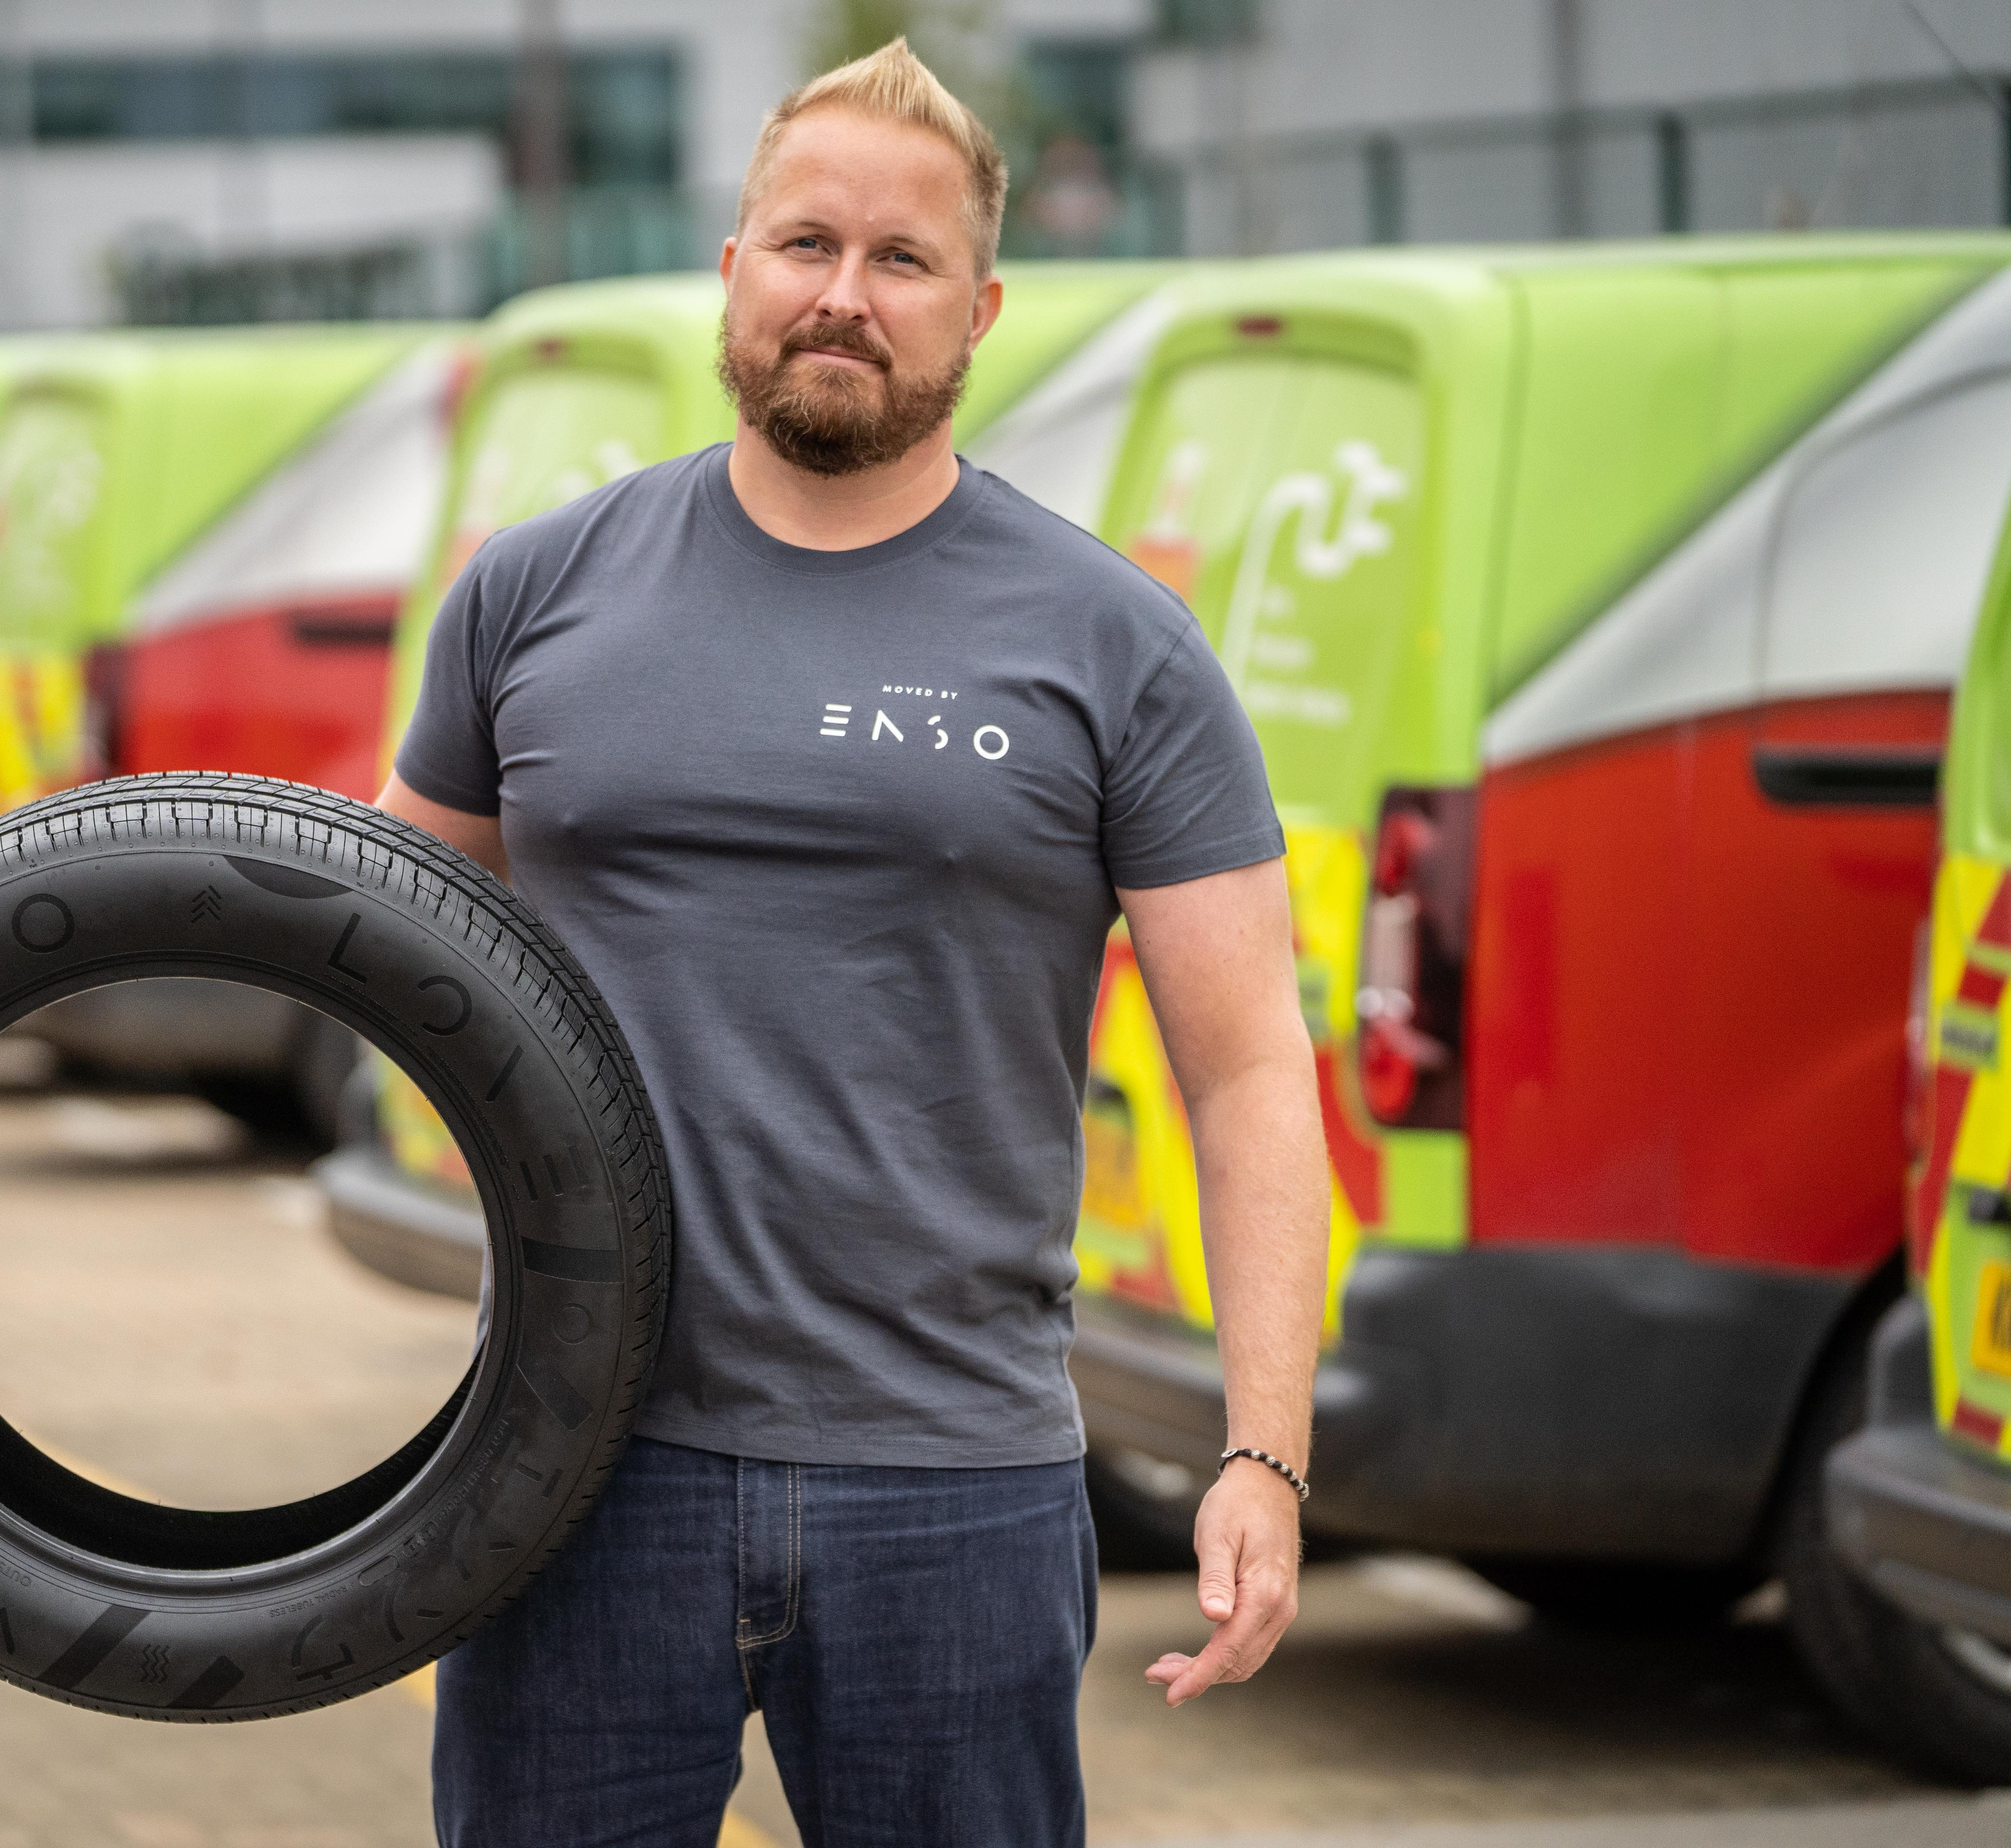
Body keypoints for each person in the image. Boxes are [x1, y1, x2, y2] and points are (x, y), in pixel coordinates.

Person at [379, 39, 1329, 1848]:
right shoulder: (532, 591)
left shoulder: (1118, 645)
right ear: (732, 265)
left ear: (977, 308)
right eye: (806, 242)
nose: (844, 294)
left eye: (901, 261)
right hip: (577, 1469)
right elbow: (390, 948)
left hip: (952, 1485)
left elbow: (1249, 1068)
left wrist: (1262, 1452)